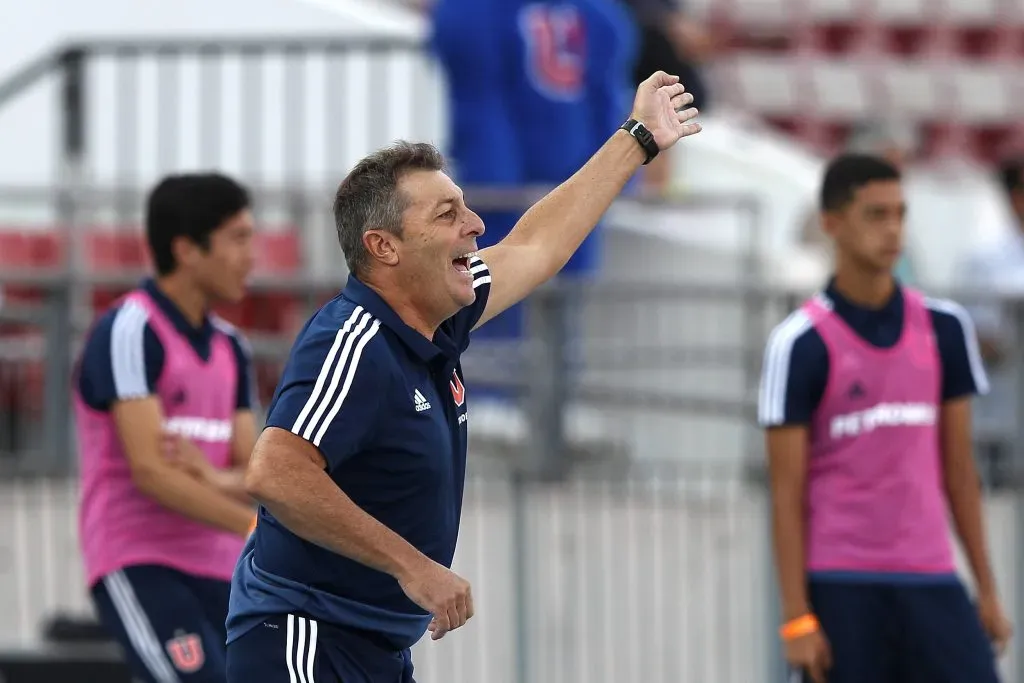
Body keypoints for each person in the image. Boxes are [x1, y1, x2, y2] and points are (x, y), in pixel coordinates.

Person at [224, 71, 700, 683]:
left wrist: (638, 138)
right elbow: (276, 472)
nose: (475, 225)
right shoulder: (354, 340)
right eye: (449, 214)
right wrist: (412, 566)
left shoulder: (434, 322)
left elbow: (535, 246)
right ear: (385, 247)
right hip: (304, 636)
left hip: (373, 646)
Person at [758, 154, 1012, 683]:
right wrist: (796, 616)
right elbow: (786, 493)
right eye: (875, 215)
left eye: (900, 214)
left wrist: (986, 590)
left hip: (932, 579)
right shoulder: (798, 344)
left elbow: (960, 472)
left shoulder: (945, 329)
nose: (893, 230)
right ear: (831, 224)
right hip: (840, 582)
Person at [74, 173, 260, 682]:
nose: (252, 256)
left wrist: (213, 477)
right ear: (187, 249)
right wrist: (253, 529)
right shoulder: (129, 331)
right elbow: (153, 474)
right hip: (141, 558)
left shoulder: (231, 348)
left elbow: (256, 472)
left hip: (223, 567)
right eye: (238, 239)